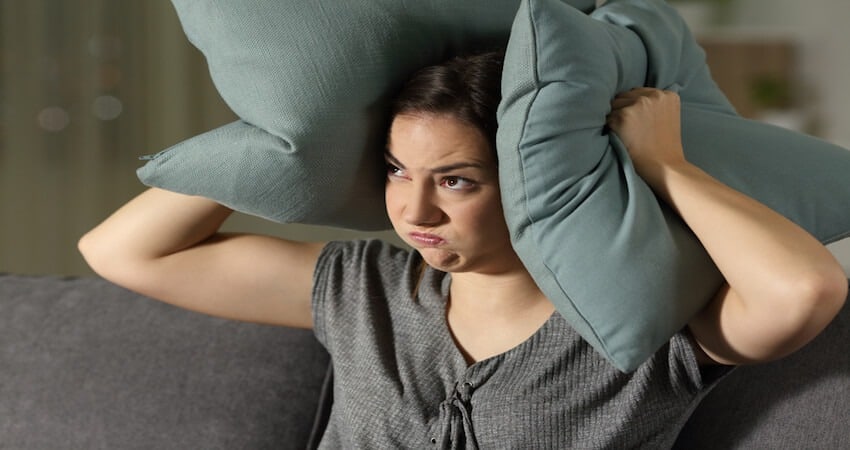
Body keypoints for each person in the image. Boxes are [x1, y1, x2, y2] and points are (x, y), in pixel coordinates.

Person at [79, 51, 847, 448]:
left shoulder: (646, 324)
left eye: (456, 180)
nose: (414, 210)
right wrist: (288, 135)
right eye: (396, 172)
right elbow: (124, 253)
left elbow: (804, 291)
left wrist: (665, 166)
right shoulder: (364, 288)